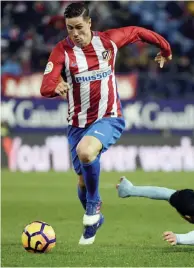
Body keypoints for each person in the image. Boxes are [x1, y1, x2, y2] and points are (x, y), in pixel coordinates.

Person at [39, 2, 172, 245]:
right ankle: (96, 216)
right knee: (81, 178)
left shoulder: (108, 41)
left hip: (109, 116)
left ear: (89, 23)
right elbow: (45, 85)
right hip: (77, 124)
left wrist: (165, 47)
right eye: (70, 29)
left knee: (86, 152)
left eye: (79, 27)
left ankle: (93, 207)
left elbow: (138, 31)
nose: (75, 34)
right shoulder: (62, 51)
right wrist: (54, 86)